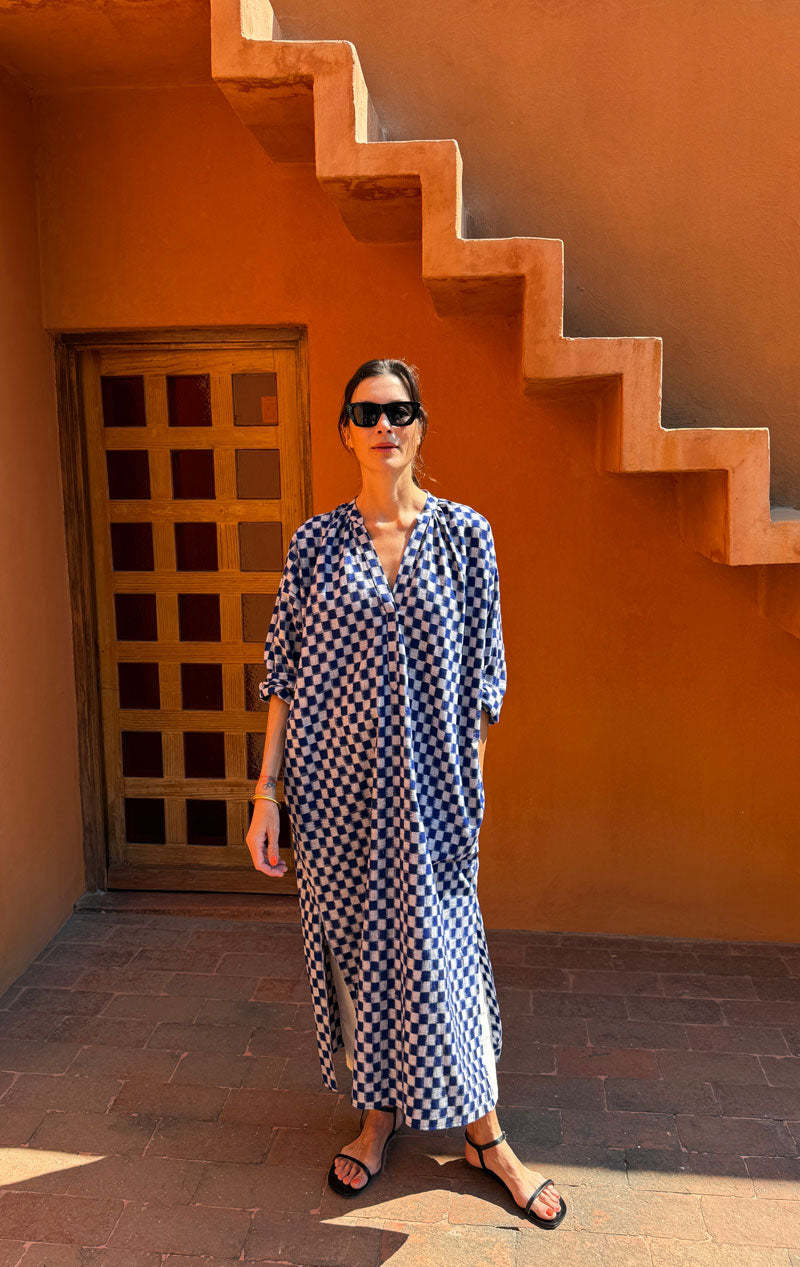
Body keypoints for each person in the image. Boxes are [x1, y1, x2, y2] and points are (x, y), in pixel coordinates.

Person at [245, 358, 566, 1229]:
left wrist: (469, 780)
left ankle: (485, 1134)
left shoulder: (465, 536)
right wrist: (267, 793)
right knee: (357, 949)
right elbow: (284, 671)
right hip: (335, 788)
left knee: (443, 949)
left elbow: (488, 674)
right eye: (366, 412)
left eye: (399, 410)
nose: (383, 424)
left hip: (433, 793)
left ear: (420, 426)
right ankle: (377, 1114)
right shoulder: (316, 544)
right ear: (345, 431)